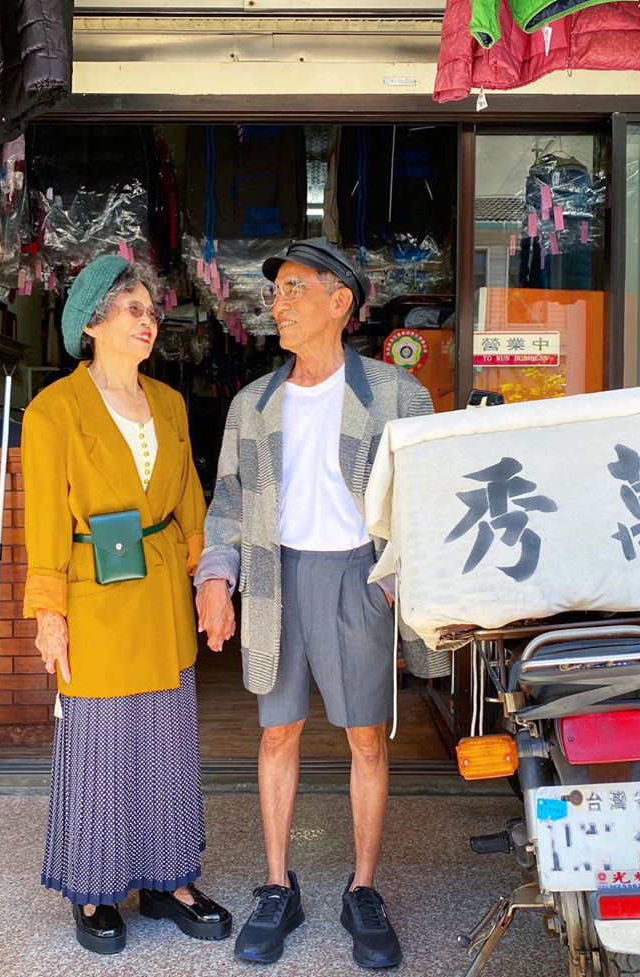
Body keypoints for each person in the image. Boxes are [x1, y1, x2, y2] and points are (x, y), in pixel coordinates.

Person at [194, 239, 451, 969]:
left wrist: (412, 572)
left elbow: (425, 496)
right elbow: (227, 505)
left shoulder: (397, 395)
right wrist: (217, 575)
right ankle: (278, 884)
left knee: (366, 737)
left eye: (295, 287)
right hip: (277, 577)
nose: (279, 301)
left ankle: (363, 889)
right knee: (277, 733)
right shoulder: (254, 403)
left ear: (341, 301)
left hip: (360, 579)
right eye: (275, 291)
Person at [22, 254, 232, 955]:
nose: (149, 321)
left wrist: (211, 580)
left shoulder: (170, 403)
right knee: (99, 744)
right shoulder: (53, 409)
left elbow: (191, 506)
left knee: (165, 738)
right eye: (133, 309)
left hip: (162, 593)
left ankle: (169, 879)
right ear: (92, 324)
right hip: (95, 596)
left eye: (151, 309)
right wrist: (49, 615)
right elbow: (45, 522)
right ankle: (92, 887)